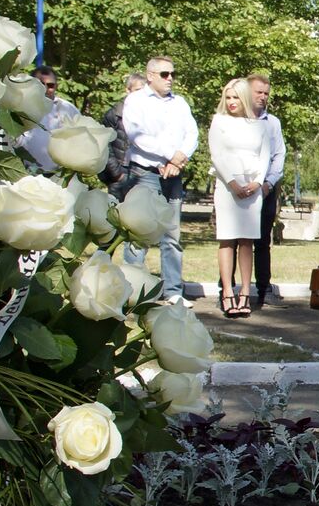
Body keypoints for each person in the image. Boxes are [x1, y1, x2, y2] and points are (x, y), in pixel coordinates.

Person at [122, 56, 198, 304]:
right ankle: (134, 290)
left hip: (173, 174)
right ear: (150, 75)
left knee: (172, 235)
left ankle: (173, 291)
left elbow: (192, 133)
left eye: (172, 74)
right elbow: (137, 136)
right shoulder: (136, 101)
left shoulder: (180, 103)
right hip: (145, 172)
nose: (170, 79)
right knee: (140, 231)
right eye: (165, 74)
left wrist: (179, 160)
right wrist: (168, 156)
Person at [208, 78, 271, 318]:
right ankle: (227, 292)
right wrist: (233, 183)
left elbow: (264, 156)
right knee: (227, 240)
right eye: (228, 97)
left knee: (247, 241)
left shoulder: (260, 125)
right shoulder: (219, 121)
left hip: (252, 189)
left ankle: (246, 291)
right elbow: (217, 155)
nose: (232, 102)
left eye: (236, 97)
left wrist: (256, 182)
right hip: (227, 186)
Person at [247, 74, 286, 306]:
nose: (263, 97)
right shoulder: (237, 119)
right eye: (258, 92)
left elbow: (279, 155)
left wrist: (268, 183)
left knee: (262, 242)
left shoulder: (273, 123)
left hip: (266, 189)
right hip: (240, 191)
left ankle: (264, 288)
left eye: (266, 94)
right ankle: (228, 290)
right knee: (235, 242)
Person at [16, 65, 80, 173]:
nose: (45, 89)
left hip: (59, 175)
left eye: (50, 85)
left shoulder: (68, 109)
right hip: (25, 173)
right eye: (41, 84)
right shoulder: (20, 107)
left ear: (56, 86)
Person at [100, 73, 146, 198]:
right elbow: (104, 145)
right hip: (120, 173)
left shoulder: (149, 116)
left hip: (142, 173)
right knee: (117, 214)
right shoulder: (114, 114)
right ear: (127, 90)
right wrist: (116, 173)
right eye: (137, 90)